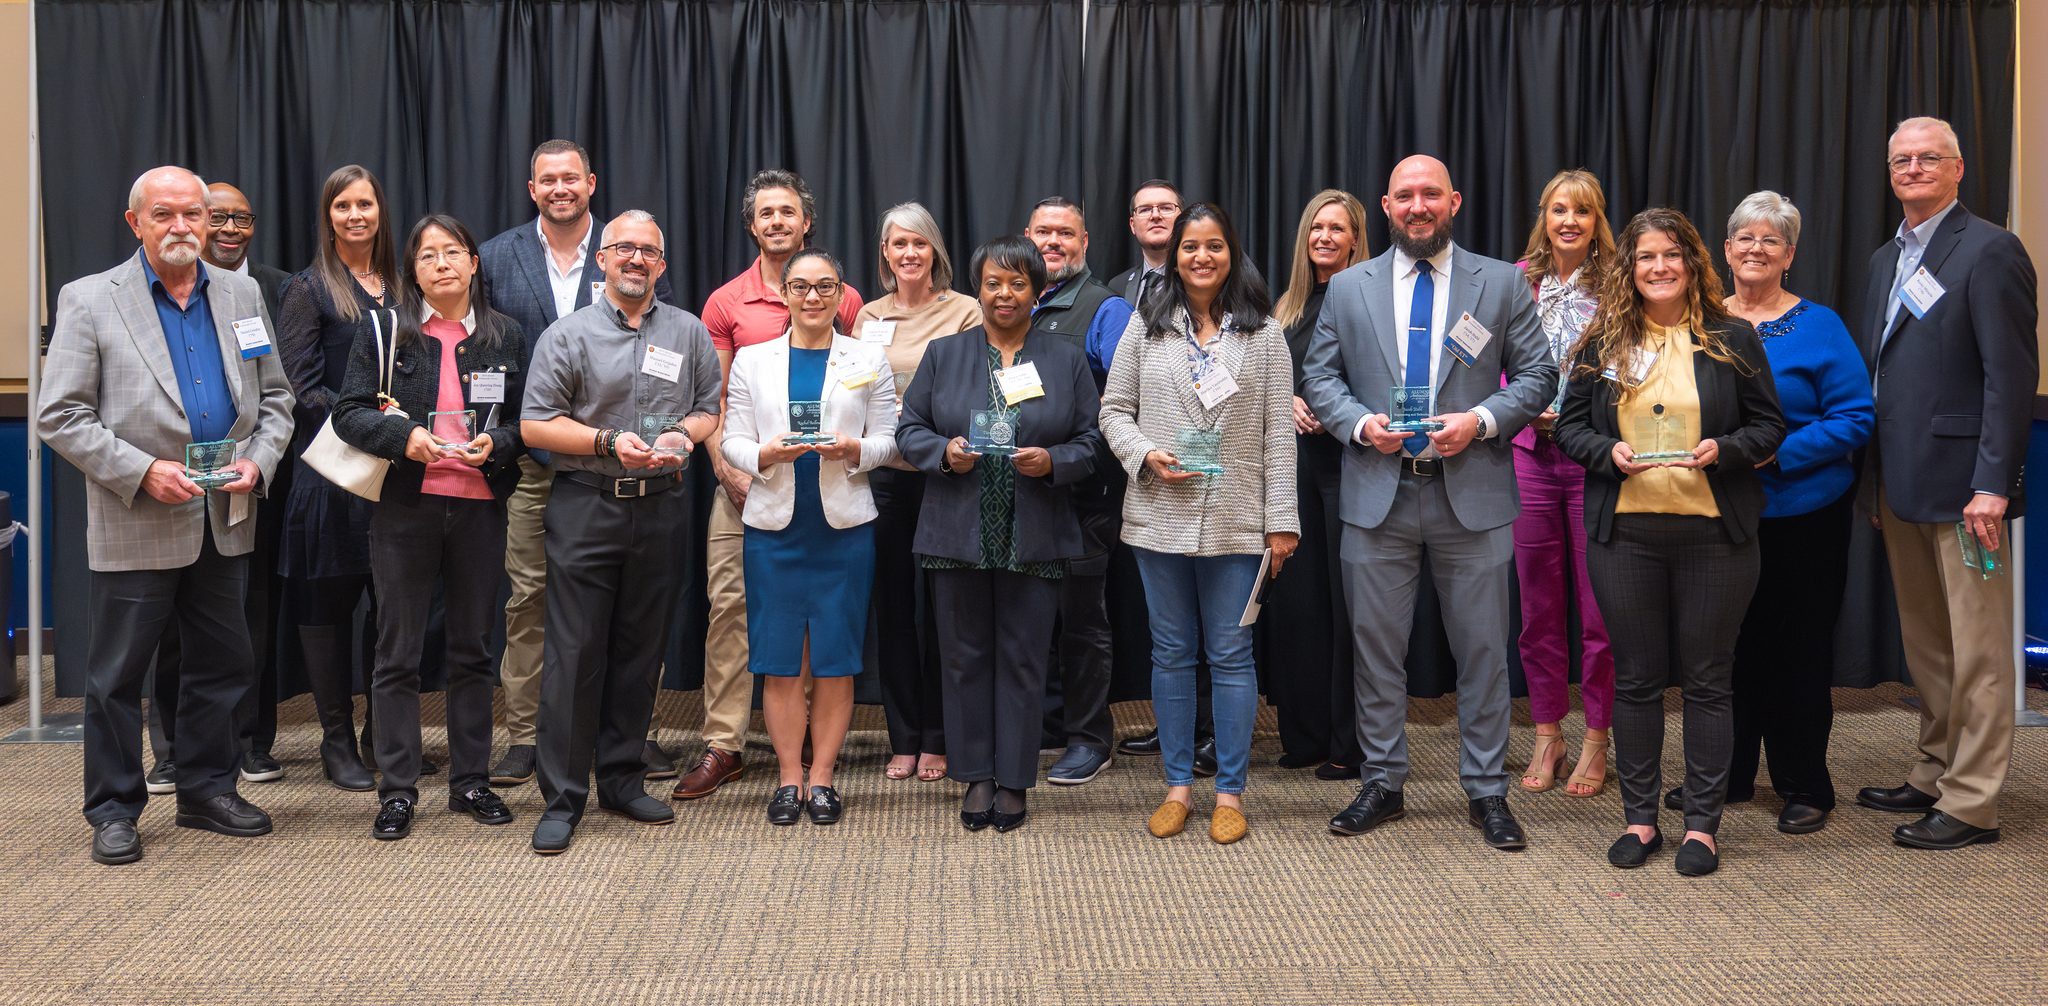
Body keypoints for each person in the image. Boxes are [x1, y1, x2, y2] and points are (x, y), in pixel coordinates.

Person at [38, 165, 294, 865]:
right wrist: (142, 470)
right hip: (138, 514)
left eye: (195, 215)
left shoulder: (240, 293)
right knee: (118, 676)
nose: (184, 227)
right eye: (166, 215)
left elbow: (276, 401)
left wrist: (260, 462)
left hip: (225, 513)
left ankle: (206, 790)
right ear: (137, 223)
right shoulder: (91, 299)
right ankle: (115, 808)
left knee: (222, 663)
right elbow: (58, 415)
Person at [1300, 154, 1554, 853]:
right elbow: (1319, 376)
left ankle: (1486, 790)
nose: (1418, 205)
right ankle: (1382, 780)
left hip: (1471, 490)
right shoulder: (1349, 287)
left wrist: (1483, 421)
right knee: (1375, 650)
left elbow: (1538, 375)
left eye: (1430, 194)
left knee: (1481, 652)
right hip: (1377, 492)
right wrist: (1356, 424)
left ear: (1454, 201)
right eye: (1405, 195)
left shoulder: (1499, 283)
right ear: (1385, 205)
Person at [1554, 207, 1786, 877]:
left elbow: (1770, 427)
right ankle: (1641, 819)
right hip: (1626, 536)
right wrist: (1609, 450)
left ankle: (1703, 829)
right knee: (1636, 681)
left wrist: (1727, 448)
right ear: (1629, 268)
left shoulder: (1731, 338)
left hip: (1715, 537)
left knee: (1710, 681)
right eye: (1646, 256)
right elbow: (1569, 430)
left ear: (1692, 265)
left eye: (1671, 255)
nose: (1660, 267)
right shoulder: (1602, 343)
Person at [1855, 116, 2038, 850]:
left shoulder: (1990, 250)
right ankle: (1934, 769)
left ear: (1958, 168)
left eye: (1929, 158)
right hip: (1902, 486)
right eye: (1901, 159)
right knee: (1929, 646)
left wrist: (1992, 483)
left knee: (1981, 650)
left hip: (1969, 493)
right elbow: (1883, 378)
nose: (1913, 168)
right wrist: (1875, 483)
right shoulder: (1883, 261)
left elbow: (2010, 377)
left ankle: (1971, 801)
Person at [521, 210, 721, 855]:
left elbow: (708, 409)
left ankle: (622, 779)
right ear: (602, 259)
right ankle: (561, 797)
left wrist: (679, 436)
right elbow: (535, 425)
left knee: (640, 650)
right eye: (624, 249)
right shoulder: (566, 335)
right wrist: (608, 441)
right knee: (575, 654)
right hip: (587, 503)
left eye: (649, 252)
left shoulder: (687, 331)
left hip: (660, 506)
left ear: (662, 265)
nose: (636, 260)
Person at [477, 139, 676, 787]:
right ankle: (526, 736)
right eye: (547, 180)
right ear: (532, 189)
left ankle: (630, 732)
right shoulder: (497, 256)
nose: (561, 188)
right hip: (534, 459)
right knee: (529, 599)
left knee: (628, 603)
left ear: (592, 182)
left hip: (625, 462)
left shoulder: (626, 249)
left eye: (572, 178)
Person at [1100, 203, 1299, 845]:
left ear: (1231, 253)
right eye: (1190, 247)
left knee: (1232, 653)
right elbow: (1113, 411)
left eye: (1214, 246)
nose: (1201, 257)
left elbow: (1278, 437)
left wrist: (1283, 521)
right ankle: (1179, 786)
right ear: (1176, 255)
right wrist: (1142, 454)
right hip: (1159, 513)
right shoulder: (1146, 326)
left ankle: (1231, 792)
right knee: (1171, 652)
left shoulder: (1263, 333)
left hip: (1240, 519)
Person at [896, 234, 1102, 833]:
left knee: (1023, 658)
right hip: (957, 529)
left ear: (1038, 292)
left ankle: (1012, 781)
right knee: (962, 659)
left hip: (1033, 530)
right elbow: (910, 429)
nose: (1004, 293)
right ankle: (975, 776)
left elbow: (1092, 442)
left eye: (1017, 283)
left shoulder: (1062, 358)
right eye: (993, 282)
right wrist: (945, 452)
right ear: (978, 288)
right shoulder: (944, 353)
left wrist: (1053, 463)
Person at [332, 214, 528, 840]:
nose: (441, 264)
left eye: (453, 252)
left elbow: (530, 421)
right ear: (411, 271)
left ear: (475, 262)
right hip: (405, 508)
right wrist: (406, 436)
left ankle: (470, 780)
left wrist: (495, 441)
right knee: (398, 651)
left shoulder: (507, 335)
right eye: (427, 256)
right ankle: (397, 789)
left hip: (479, 508)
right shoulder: (388, 331)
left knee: (473, 648)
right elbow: (349, 413)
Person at [684, 168, 866, 801]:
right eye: (766, 213)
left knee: (821, 630)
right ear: (752, 224)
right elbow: (717, 400)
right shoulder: (724, 303)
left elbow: (864, 399)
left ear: (805, 221)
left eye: (789, 212)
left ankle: (815, 764)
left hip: (826, 493)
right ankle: (724, 743)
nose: (778, 222)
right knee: (734, 610)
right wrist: (731, 470)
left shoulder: (844, 299)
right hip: (743, 480)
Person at [1697, 191, 1875, 835]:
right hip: (1717, 513)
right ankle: (1731, 777)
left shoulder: (1820, 325)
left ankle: (1805, 785)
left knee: (1799, 649)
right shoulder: (1701, 320)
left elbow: (1855, 418)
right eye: (1744, 238)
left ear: (1790, 254)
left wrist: (1776, 455)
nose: (1756, 249)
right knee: (1727, 651)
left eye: (1771, 240)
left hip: (1803, 513)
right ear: (1725, 250)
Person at [723, 249, 900, 824]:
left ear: (841, 293)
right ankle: (788, 778)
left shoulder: (867, 357)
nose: (814, 296)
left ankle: (822, 776)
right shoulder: (753, 360)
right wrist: (764, 456)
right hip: (775, 527)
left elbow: (890, 438)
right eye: (801, 286)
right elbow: (732, 441)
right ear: (786, 294)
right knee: (779, 661)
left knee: (834, 658)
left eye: (826, 286)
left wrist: (854, 450)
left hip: (842, 527)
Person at [146, 180, 295, 792]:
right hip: (166, 487)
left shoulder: (263, 289)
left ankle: (247, 742)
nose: (229, 228)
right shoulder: (151, 290)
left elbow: (275, 387)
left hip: (247, 484)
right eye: (219, 217)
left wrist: (260, 459)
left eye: (241, 217)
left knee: (246, 620)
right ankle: (174, 750)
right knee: (172, 631)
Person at [275, 164, 400, 792]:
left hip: (396, 473)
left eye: (366, 204)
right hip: (331, 471)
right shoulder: (309, 289)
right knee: (327, 605)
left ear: (381, 210)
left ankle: (384, 735)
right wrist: (370, 420)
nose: (356, 216)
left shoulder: (402, 284)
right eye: (343, 206)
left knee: (391, 604)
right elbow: (299, 385)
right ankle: (336, 739)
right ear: (328, 216)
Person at [852, 203, 982, 783]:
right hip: (884, 478)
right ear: (885, 252)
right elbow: (854, 391)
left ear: (936, 252)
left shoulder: (966, 311)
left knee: (945, 613)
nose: (909, 253)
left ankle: (941, 735)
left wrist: (915, 417)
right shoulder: (867, 317)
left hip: (945, 476)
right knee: (895, 611)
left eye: (919, 244)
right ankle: (904, 735)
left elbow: (975, 387)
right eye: (898, 244)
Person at [1511, 169, 1619, 799]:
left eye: (1582, 210)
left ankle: (1599, 736)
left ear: (1596, 218)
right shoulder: (1515, 280)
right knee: (1538, 608)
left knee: (1598, 610)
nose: (1569, 221)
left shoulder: (1620, 284)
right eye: (1558, 210)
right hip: (1528, 455)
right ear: (1544, 217)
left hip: (1592, 462)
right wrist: (1516, 406)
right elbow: (1485, 360)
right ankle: (1547, 732)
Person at [1025, 197, 1139, 786]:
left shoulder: (1106, 310)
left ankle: (1090, 737)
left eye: (1065, 234)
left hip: (1085, 491)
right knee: (1030, 615)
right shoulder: (1012, 302)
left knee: (1082, 621)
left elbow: (1127, 401)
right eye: (1043, 232)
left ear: (1085, 242)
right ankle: (1045, 725)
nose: (1054, 242)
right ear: (1027, 237)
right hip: (1023, 488)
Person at [1263, 189, 1369, 780]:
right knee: (1299, 605)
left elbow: (1383, 378)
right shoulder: (1288, 308)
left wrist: (1334, 410)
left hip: (1349, 469)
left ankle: (1348, 743)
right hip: (1292, 472)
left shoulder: (1366, 299)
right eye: (1316, 228)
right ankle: (1303, 737)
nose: (1324, 237)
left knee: (1346, 607)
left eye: (1337, 228)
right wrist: (1289, 403)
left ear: (1356, 238)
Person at [1107, 178, 1182, 312]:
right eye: (1145, 210)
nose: (1155, 215)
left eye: (1165, 208)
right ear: (1132, 225)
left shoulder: (1199, 280)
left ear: (1182, 219)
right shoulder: (1117, 286)